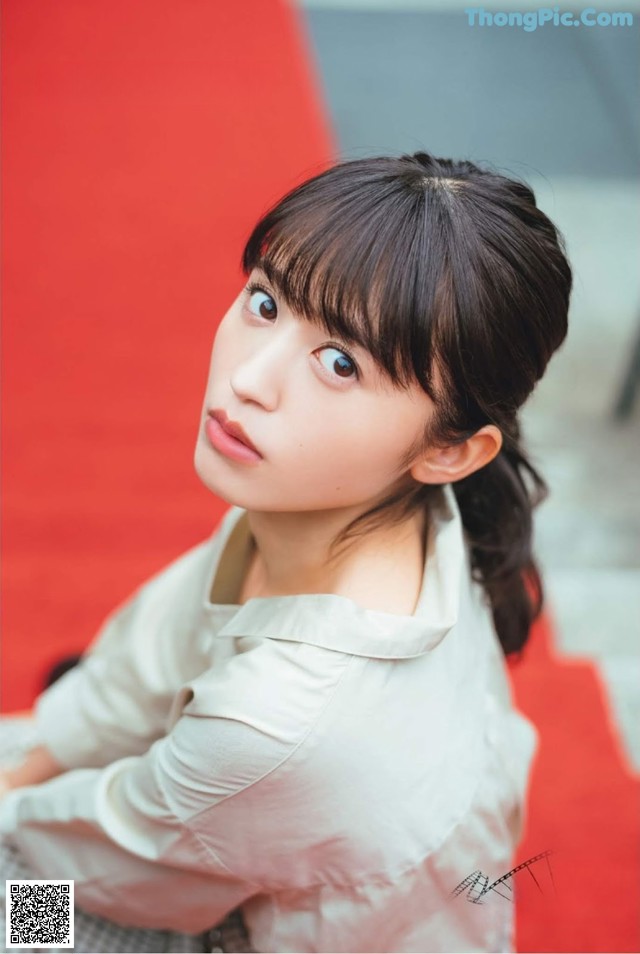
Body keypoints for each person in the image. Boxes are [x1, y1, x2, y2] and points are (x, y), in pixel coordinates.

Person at [0, 150, 572, 953]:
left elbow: (120, 874)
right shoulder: (352, 497)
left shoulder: (284, 719)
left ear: (451, 450)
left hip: (225, 914)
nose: (249, 381)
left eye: (341, 363)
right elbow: (153, 647)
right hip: (218, 828)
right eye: (264, 302)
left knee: (14, 911)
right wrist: (39, 757)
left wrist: (15, 811)